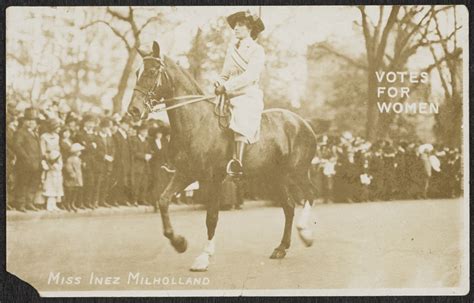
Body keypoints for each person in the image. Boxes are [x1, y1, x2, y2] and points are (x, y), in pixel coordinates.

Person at [214, 10, 265, 176]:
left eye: (240, 25)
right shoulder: (231, 50)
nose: (236, 28)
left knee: (242, 113)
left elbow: (250, 76)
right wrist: (218, 83)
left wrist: (226, 86)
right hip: (228, 94)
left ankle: (237, 163)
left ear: (250, 29)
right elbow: (224, 75)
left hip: (247, 94)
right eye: (235, 26)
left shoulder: (257, 50)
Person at [13, 108, 42, 212]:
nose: (31, 123)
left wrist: (40, 160)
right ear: (24, 121)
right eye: (28, 120)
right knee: (22, 183)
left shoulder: (35, 133)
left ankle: (29, 203)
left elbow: (38, 148)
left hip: (36, 164)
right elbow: (17, 146)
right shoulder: (20, 132)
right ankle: (20, 204)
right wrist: (26, 158)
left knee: (33, 183)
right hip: (24, 164)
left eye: (33, 121)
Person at [75, 114, 98, 209]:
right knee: (82, 182)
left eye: (93, 123)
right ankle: (80, 203)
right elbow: (82, 148)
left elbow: (96, 147)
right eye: (90, 123)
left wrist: (89, 146)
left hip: (92, 161)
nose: (92, 125)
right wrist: (91, 146)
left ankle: (87, 201)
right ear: (85, 123)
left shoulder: (93, 134)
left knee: (90, 182)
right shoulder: (80, 134)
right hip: (83, 160)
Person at [111, 116, 133, 206]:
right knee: (118, 181)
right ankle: (114, 200)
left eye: (128, 125)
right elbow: (115, 150)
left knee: (125, 181)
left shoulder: (127, 135)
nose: (127, 126)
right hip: (119, 162)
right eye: (126, 124)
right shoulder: (116, 135)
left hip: (127, 161)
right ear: (121, 124)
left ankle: (123, 200)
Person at [94, 117, 116, 208]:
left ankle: (102, 201)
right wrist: (104, 156)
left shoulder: (109, 138)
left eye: (108, 128)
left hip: (108, 164)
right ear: (102, 128)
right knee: (98, 182)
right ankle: (95, 201)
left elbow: (113, 148)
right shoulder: (97, 138)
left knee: (106, 183)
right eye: (106, 128)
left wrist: (111, 156)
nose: (107, 130)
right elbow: (96, 151)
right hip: (100, 163)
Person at [130, 124, 152, 206]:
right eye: (144, 131)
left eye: (146, 131)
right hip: (138, 165)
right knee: (136, 183)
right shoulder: (135, 140)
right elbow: (134, 152)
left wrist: (150, 155)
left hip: (145, 165)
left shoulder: (146, 141)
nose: (146, 133)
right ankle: (134, 200)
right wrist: (144, 156)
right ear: (140, 131)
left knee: (144, 183)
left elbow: (149, 151)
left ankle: (142, 199)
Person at [64, 143, 84, 212]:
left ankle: (73, 203)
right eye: (79, 151)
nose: (80, 153)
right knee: (70, 190)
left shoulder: (78, 159)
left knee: (76, 190)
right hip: (72, 177)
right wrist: (71, 173)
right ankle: (68, 203)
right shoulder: (70, 159)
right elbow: (68, 167)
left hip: (78, 176)